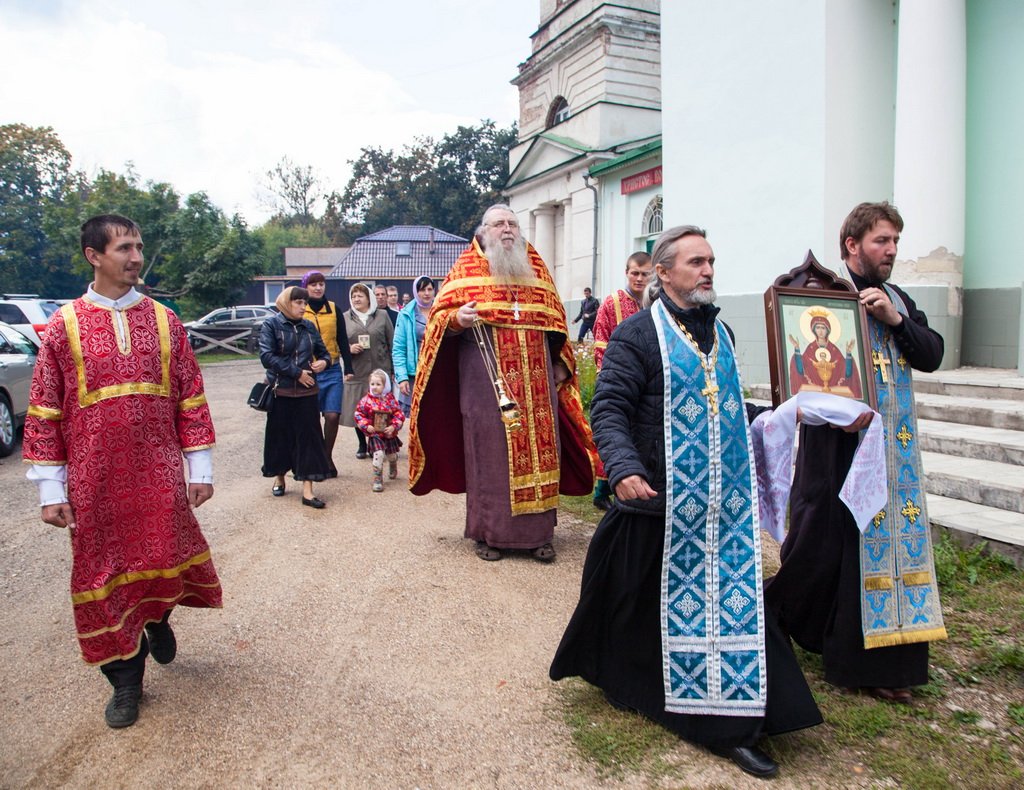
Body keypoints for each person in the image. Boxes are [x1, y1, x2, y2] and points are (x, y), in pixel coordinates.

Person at [551, 225, 822, 780]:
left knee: (730, 604)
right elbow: (609, 409)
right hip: (656, 502)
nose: (708, 270)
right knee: (630, 610)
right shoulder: (636, 336)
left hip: (718, 507)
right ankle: (649, 690)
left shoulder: (717, 332)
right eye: (696, 261)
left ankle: (735, 721)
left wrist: (780, 418)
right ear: (664, 272)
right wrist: (622, 468)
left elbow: (723, 407)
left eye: (712, 261)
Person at [23, 214, 222, 729]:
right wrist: (51, 488)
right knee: (103, 577)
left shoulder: (165, 321)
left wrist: (198, 466)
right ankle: (126, 681)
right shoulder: (62, 327)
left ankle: (158, 617)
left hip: (158, 476)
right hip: (95, 483)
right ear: (94, 255)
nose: (136, 257)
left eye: (139, 246)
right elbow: (45, 409)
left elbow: (190, 396)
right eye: (125, 248)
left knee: (162, 559)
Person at [765, 201, 946, 704]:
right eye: (880, 241)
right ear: (852, 245)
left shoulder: (898, 300)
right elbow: (804, 372)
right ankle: (831, 644)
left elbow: (931, 354)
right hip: (837, 447)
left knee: (878, 549)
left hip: (895, 449)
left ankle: (886, 661)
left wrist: (895, 320)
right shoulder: (822, 298)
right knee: (832, 547)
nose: (890, 251)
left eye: (895, 243)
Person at [408, 204, 597, 563]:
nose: (507, 229)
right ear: (484, 231)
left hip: (537, 386)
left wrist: (560, 363)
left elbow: (557, 323)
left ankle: (540, 536)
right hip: (484, 385)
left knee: (542, 451)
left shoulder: (535, 267)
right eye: (499, 224)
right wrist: (457, 319)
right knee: (489, 454)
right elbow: (439, 319)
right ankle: (489, 534)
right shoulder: (465, 268)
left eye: (512, 223)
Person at [590, 250, 654, 510]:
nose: (639, 279)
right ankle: (602, 491)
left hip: (648, 381)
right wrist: (610, 373)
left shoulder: (655, 301)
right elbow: (600, 339)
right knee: (617, 429)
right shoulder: (613, 302)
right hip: (619, 377)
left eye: (644, 274)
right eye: (634, 273)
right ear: (626, 273)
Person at [259, 286, 332, 509]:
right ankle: (279, 477)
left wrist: (324, 362)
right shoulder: (271, 325)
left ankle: (308, 491)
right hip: (280, 390)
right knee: (280, 438)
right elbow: (266, 356)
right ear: (285, 303)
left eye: (304, 302)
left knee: (309, 439)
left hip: (307, 392)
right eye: (298, 302)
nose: (303, 307)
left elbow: (325, 353)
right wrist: (297, 372)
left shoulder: (308, 326)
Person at [302, 271, 354, 478]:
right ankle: (315, 458)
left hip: (332, 368)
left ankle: (326, 455)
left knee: (332, 415)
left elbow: (342, 338)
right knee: (311, 417)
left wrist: (348, 367)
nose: (318, 288)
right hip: (309, 370)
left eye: (321, 284)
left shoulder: (333, 309)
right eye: (313, 284)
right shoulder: (300, 309)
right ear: (305, 287)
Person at [340, 282, 395, 459]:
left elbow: (392, 341)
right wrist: (348, 348)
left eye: (360, 296)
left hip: (380, 368)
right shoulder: (345, 318)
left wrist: (394, 369)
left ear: (368, 298)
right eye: (353, 296)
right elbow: (336, 343)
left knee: (381, 408)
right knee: (360, 408)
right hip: (357, 370)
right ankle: (362, 444)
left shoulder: (382, 315)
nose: (356, 299)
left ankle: (378, 442)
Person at [787, 310, 863, 398]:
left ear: (827, 330)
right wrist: (796, 348)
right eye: (818, 327)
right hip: (814, 394)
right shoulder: (810, 348)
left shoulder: (834, 349)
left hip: (834, 394)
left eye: (823, 328)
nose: (820, 331)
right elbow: (801, 370)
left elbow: (847, 372)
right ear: (814, 330)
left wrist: (849, 353)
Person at [392, 275, 436, 417]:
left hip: (438, 370)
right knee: (417, 418)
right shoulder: (406, 314)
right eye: (422, 290)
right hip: (415, 373)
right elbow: (399, 348)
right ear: (416, 292)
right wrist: (402, 377)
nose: (427, 293)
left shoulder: (440, 310)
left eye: (430, 289)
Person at [354, 369, 405, 492]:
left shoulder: (390, 399)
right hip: (375, 434)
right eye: (372, 384)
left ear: (385, 385)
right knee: (378, 455)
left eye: (378, 384)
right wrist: (366, 426)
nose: (375, 387)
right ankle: (378, 479)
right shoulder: (366, 401)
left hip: (389, 434)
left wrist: (393, 426)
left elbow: (399, 414)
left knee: (391, 456)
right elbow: (358, 414)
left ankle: (393, 465)